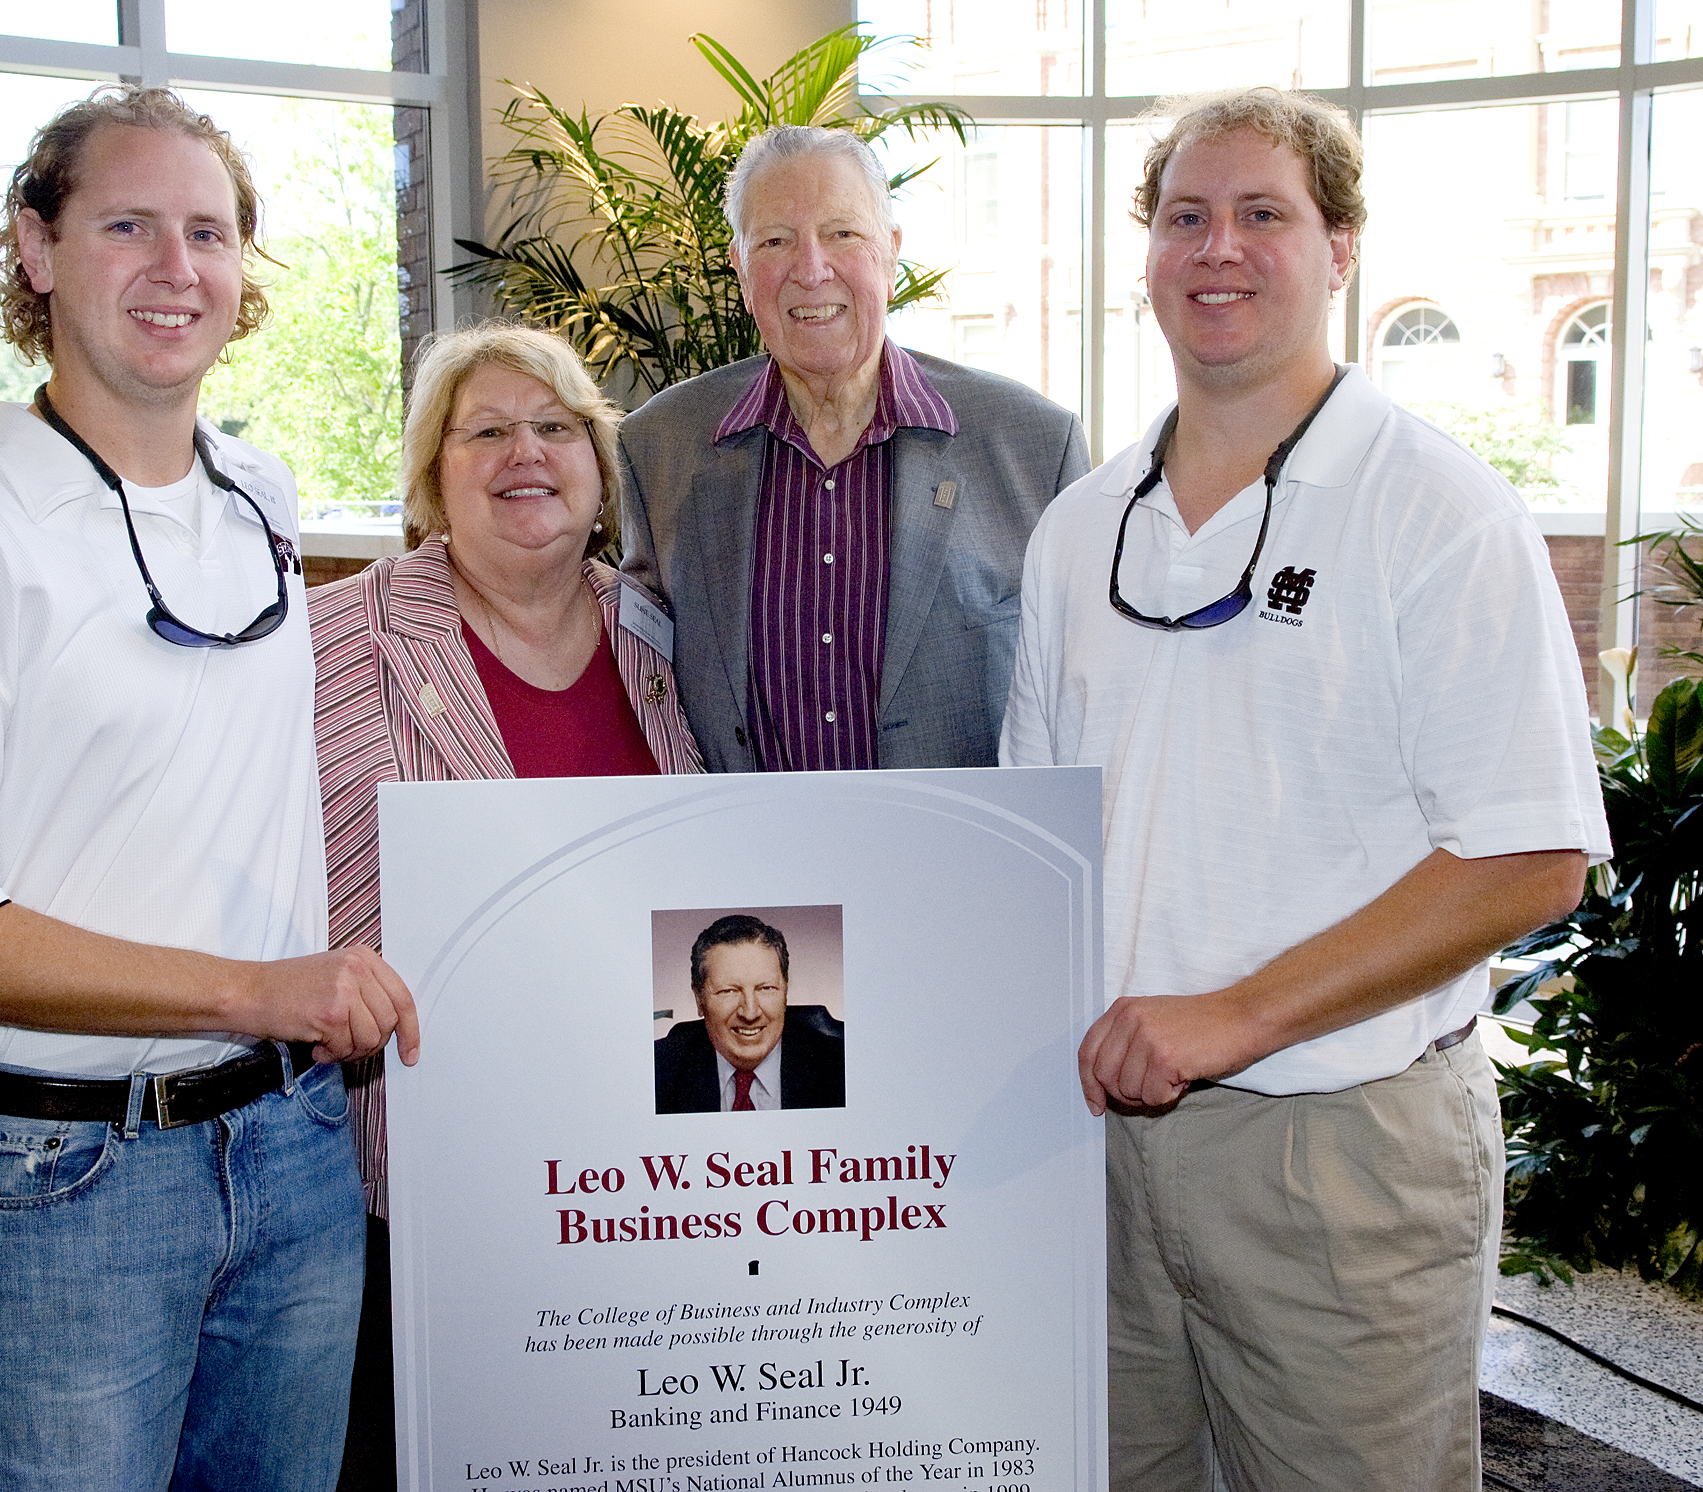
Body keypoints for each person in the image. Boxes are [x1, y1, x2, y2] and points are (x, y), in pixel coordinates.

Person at [998, 87, 1609, 1490]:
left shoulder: (1435, 509)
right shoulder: (1081, 528)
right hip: (1102, 1139)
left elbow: (1530, 860)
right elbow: (1041, 839)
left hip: (1341, 1155)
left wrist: (1232, 1017)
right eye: (1185, 216)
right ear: (1145, 254)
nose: (1219, 247)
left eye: (1263, 214)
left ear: (1340, 247)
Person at [0, 86, 417, 1492]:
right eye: (128, 224)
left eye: (209, 232)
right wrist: (255, 989)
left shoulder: (258, 497)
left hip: (291, 1158)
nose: (178, 269)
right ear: (36, 248)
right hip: (55, 1189)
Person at [308, 320, 702, 1486]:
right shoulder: (335, 638)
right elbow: (195, 836)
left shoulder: (662, 632)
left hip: (631, 1171)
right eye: (484, 431)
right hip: (427, 1172)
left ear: (597, 463)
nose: (522, 454)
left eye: (553, 427)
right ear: (434, 476)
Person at [619, 124, 1089, 774]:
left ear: (891, 252)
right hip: (743, 864)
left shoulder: (1033, 447)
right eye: (776, 241)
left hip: (961, 863)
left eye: (843, 234)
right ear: (741, 267)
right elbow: (629, 672)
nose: (812, 269)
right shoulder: (659, 448)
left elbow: (1086, 694)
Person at [654, 913, 844, 1114]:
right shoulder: (656, 1071)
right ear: (699, 999)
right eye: (729, 991)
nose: (750, 1013)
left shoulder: (842, 1068)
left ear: (785, 991)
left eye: (766, 988)